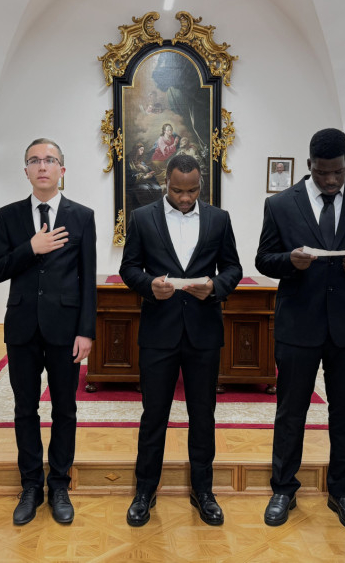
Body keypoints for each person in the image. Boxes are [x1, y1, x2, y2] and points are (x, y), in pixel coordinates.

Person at [255, 128, 345, 532]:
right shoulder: (281, 204)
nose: (331, 180)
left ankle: (342, 492)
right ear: (309, 165)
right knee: (290, 411)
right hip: (298, 324)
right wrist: (289, 261)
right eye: (322, 173)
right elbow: (264, 258)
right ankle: (283, 489)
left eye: (338, 172)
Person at [119, 153, 242, 527]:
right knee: (154, 415)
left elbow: (233, 268)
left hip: (204, 332)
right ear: (165, 183)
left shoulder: (219, 219)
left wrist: (215, 287)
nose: (185, 198)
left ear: (200, 184)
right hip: (159, 332)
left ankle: (203, 491)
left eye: (192, 191)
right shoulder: (142, 218)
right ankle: (145, 491)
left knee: (203, 415)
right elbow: (129, 268)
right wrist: (148, 285)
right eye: (177, 191)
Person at [0, 138, 97, 526]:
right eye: (34, 160)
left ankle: (60, 484)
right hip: (22, 327)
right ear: (26, 171)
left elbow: (87, 279)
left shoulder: (82, 216)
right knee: (25, 408)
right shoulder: (9, 215)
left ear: (62, 169)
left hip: (66, 329)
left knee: (65, 409)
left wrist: (86, 331)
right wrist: (31, 247)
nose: (42, 166)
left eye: (50, 160)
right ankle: (31, 485)